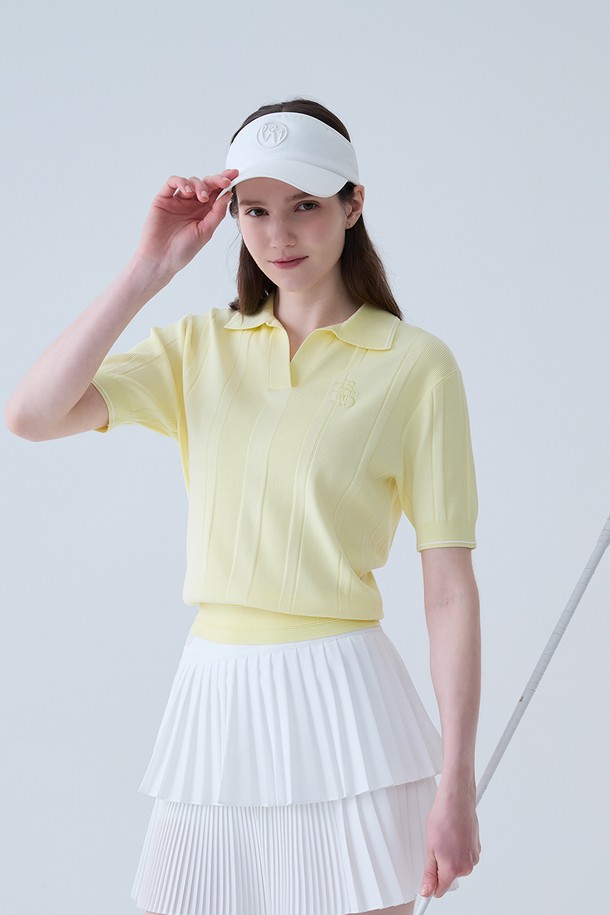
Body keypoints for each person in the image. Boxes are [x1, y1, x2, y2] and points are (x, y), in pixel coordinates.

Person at [6, 98, 481, 915]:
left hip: (346, 711)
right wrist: (150, 268)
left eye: (304, 205)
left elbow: (448, 589)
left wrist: (458, 781)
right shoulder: (200, 347)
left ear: (353, 205)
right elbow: (32, 414)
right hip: (215, 702)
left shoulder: (416, 366)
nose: (278, 234)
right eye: (253, 210)